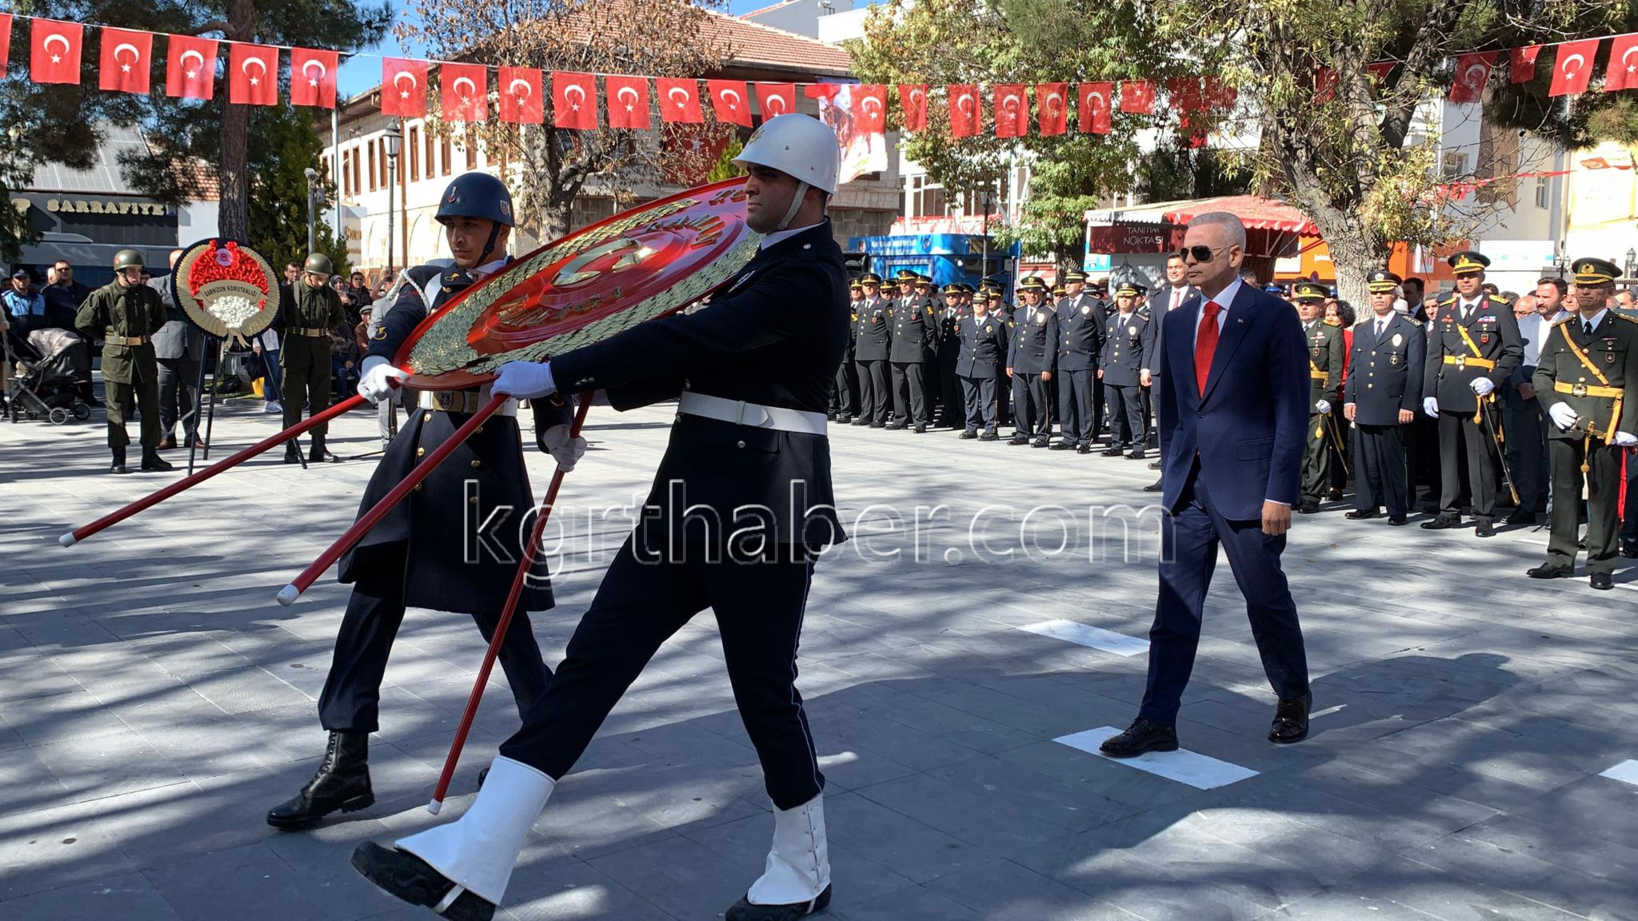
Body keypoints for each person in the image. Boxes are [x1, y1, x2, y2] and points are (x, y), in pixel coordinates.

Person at [351, 113, 847, 921]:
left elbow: (693, 341)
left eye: (764, 175)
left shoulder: (807, 275)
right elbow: (687, 353)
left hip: (766, 506)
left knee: (763, 689)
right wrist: (573, 383)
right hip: (690, 497)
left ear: (807, 187)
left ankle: (804, 867)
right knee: (592, 663)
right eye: (749, 172)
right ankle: (477, 856)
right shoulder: (763, 267)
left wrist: (555, 371)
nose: (746, 184)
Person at [266, 172, 583, 831]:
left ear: (499, 229)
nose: (459, 236)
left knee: (504, 618)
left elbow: (545, 358)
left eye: (471, 226)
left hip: (485, 456)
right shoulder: (428, 280)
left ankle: (547, 740)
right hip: (419, 450)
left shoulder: (525, 289)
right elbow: (392, 329)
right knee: (372, 599)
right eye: (452, 226)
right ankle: (345, 760)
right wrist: (375, 365)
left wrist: (553, 425)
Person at [1100, 211, 1312, 759]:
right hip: (1188, 489)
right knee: (1173, 608)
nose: (1187, 263)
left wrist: (1280, 493)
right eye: (1185, 252)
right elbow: (1175, 410)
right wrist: (1172, 474)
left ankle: (1292, 697)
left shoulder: (1271, 316)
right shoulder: (1177, 321)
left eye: (1200, 254)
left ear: (1235, 256)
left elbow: (1293, 410)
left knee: (1264, 599)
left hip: (1249, 489)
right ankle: (1156, 719)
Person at [1527, 257, 1638, 591]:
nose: (1586, 292)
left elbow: (1635, 381)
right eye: (1582, 286)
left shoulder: (1627, 330)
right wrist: (1552, 405)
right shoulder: (1563, 330)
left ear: (1608, 291)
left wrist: (1630, 425)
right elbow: (1543, 374)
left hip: (1606, 423)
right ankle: (1560, 557)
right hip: (1564, 421)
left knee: (1603, 495)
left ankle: (1601, 563)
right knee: (1563, 491)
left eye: (1594, 287)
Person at [1420, 252, 1524, 537]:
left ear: (1482, 278)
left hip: (1481, 394)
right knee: (1448, 455)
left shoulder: (1500, 309)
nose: (1466, 280)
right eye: (1461, 276)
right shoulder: (1446, 309)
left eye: (1471, 275)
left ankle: (1483, 513)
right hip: (1448, 388)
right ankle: (1449, 511)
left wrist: (1493, 380)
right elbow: (1434, 354)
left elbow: (1514, 351)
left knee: (1481, 457)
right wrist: (1429, 391)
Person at [74, 250, 172, 474]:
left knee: (150, 408)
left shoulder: (149, 295)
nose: (136, 275)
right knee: (116, 409)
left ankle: (150, 456)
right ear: (119, 272)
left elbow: (159, 319)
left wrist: (142, 337)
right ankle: (119, 458)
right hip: (116, 357)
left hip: (144, 355)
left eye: (138, 271)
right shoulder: (104, 294)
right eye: (131, 271)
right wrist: (109, 337)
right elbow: (82, 322)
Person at [1344, 270, 1425, 524]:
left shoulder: (1410, 328)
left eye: (1384, 292)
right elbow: (1354, 367)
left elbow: (1415, 370)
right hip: (1366, 403)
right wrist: (1349, 399)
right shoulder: (1363, 328)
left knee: (1391, 460)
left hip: (1393, 405)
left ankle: (1396, 508)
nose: (1378, 297)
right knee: (1364, 459)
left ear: (1394, 295)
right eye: (1374, 293)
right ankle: (1366, 504)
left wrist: (1409, 403)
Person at [277, 253, 349, 464]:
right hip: (295, 347)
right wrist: (294, 333)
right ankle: (292, 446)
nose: (321, 282)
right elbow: (277, 320)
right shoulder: (289, 292)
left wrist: (323, 331)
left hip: (320, 347)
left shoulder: (329, 295)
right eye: (318, 278)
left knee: (320, 398)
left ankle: (318, 445)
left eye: (324, 278)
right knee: (293, 399)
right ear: (307, 274)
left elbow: (338, 318)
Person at [1293, 282, 1344, 513]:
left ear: (1320, 306)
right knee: (1296, 448)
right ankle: (1296, 490)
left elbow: (1335, 368)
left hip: (1317, 397)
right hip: (1293, 397)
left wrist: (1330, 395)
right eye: (1301, 303)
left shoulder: (1331, 331)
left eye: (1309, 303)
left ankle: (1312, 494)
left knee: (1316, 448)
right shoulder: (1290, 328)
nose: (1304, 307)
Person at [149, 249, 207, 450]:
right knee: (164, 393)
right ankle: (167, 434)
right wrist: (189, 300)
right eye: (180, 261)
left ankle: (192, 434)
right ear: (172, 264)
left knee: (191, 394)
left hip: (192, 345)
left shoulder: (200, 284)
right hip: (164, 348)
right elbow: (159, 302)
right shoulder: (155, 284)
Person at [1098, 281, 1153, 458]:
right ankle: (1117, 443)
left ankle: (1138, 445)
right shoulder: (1111, 320)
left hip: (1130, 371)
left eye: (1128, 297)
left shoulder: (1141, 321)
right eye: (1121, 297)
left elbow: (1146, 348)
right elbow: (1106, 345)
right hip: (1111, 371)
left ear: (1135, 300)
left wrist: (1144, 369)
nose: (1124, 301)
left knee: (1134, 411)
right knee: (1113, 411)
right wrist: (1102, 365)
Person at [1052, 270, 1103, 453]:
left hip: (1084, 359)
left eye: (1072, 282)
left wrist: (1101, 362)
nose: (1067, 285)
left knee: (1084, 401)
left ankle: (1085, 437)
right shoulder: (1063, 305)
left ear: (1082, 285)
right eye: (1066, 282)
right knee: (1065, 400)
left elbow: (1101, 336)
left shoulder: (1094, 305)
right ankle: (1068, 436)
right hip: (1065, 359)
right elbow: (1058, 333)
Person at [1007, 276, 1056, 447]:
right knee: (1020, 400)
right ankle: (1022, 432)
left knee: (1041, 402)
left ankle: (1043, 433)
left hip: (1038, 365)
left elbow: (1051, 343)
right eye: (1029, 292)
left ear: (1041, 294)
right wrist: (1009, 362)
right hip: (1019, 364)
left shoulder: (1049, 313)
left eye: (1036, 292)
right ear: (1024, 295)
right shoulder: (1018, 312)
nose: (1033, 295)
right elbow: (1014, 339)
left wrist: (1047, 366)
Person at [957, 286, 1008, 440]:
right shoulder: (965, 322)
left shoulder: (996, 324)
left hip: (986, 366)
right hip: (967, 366)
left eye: (981, 304)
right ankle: (971, 427)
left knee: (988, 400)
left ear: (987, 305)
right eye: (975, 304)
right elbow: (964, 341)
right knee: (970, 400)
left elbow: (1001, 346)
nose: (978, 306)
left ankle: (990, 429)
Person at [887, 270, 935, 432]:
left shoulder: (922, 302)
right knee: (898, 388)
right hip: (897, 352)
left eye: (907, 282)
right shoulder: (897, 303)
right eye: (901, 282)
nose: (903, 285)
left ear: (914, 283)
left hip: (914, 353)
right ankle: (900, 418)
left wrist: (920, 346)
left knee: (916, 389)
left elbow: (930, 329)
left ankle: (920, 421)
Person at [852, 272, 890, 427]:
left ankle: (879, 417)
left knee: (879, 386)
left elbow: (891, 330)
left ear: (877, 287)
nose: (868, 288)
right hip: (861, 350)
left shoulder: (884, 305)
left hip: (877, 351)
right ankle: (866, 414)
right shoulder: (860, 306)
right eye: (866, 285)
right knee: (865, 386)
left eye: (872, 285)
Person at [828, 280, 859, 424]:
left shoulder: (850, 310)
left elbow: (853, 334)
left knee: (843, 384)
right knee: (832, 385)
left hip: (843, 352)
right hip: (830, 351)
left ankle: (846, 411)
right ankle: (832, 409)